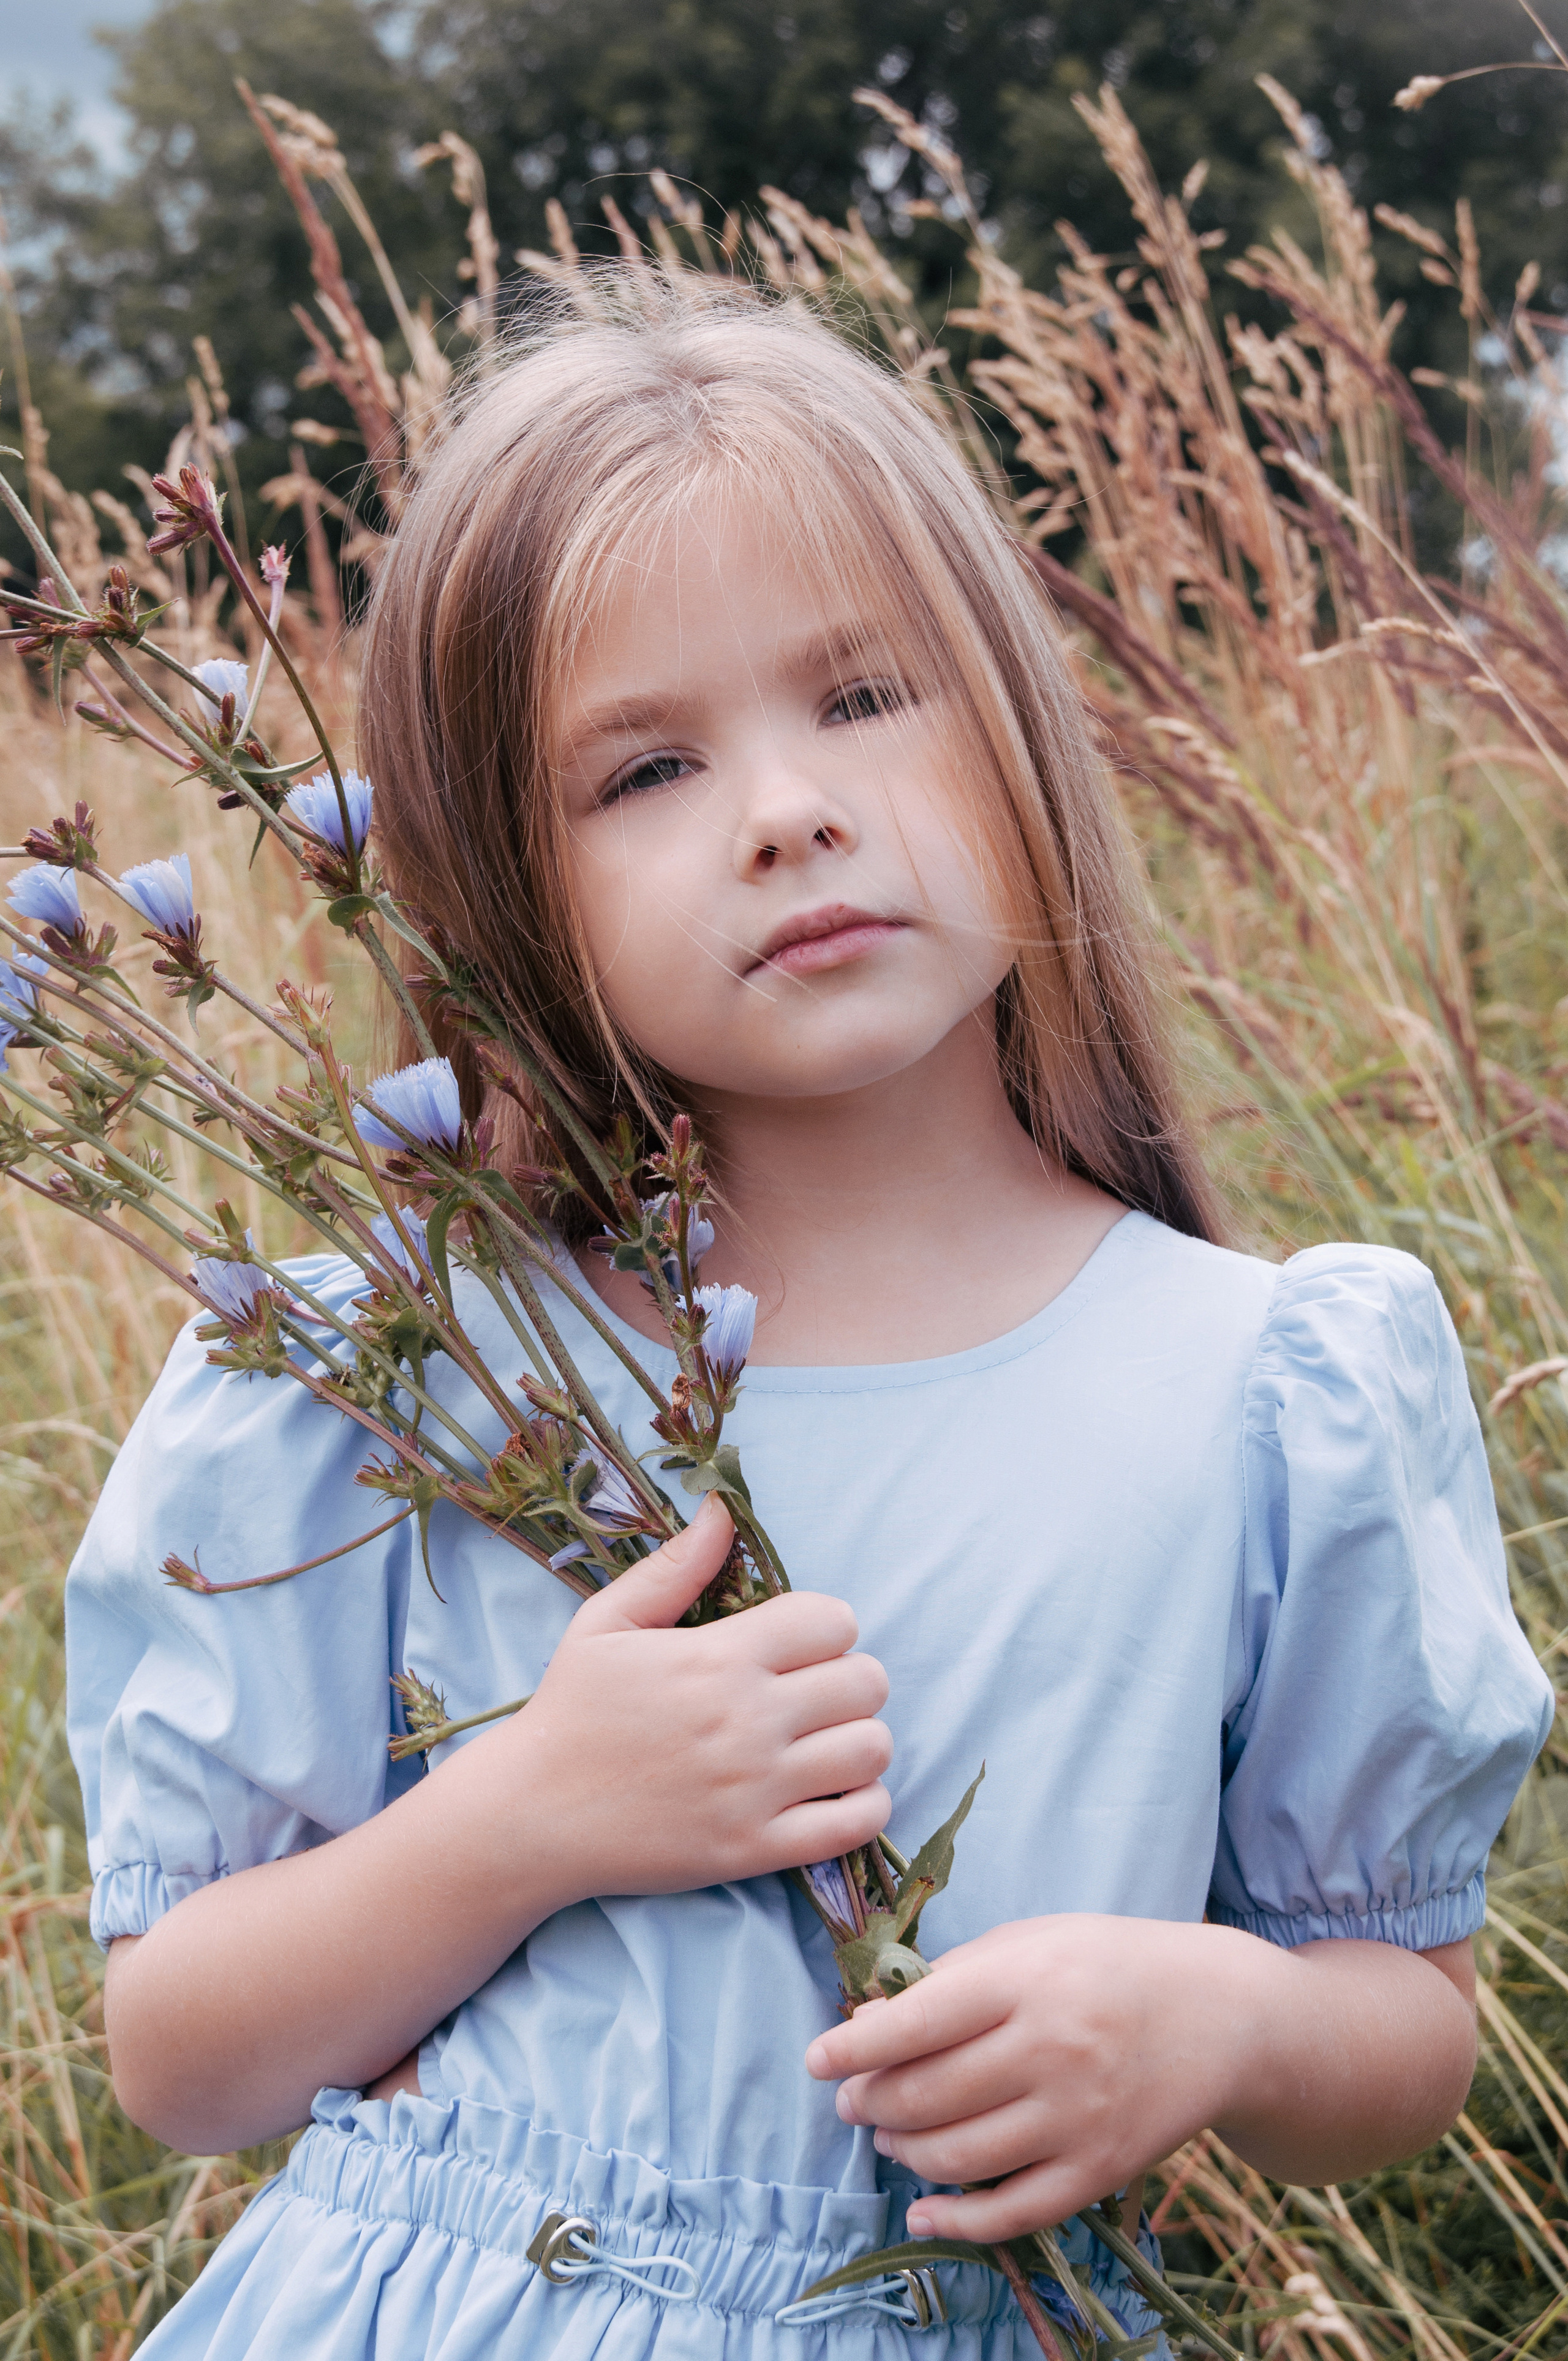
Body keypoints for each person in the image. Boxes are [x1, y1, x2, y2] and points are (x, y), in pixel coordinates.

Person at [67, 278, 1553, 2360]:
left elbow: (1403, 2033)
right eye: (648, 766)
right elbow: (178, 2061)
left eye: (865, 697)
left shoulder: (1262, 1381)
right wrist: (527, 1815)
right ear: (509, 882)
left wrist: (1216, 2019)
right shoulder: (398, 1374)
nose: (786, 809)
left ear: (1018, 726)